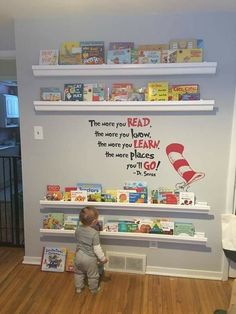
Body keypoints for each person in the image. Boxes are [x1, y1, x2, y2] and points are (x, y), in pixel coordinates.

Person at [74, 206, 108, 294]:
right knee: (93, 275)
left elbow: (78, 240)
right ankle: (93, 289)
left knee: (79, 273)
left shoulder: (78, 230)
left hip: (78, 255)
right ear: (94, 222)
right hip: (89, 258)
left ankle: (78, 288)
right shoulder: (94, 233)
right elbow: (97, 249)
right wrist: (103, 258)